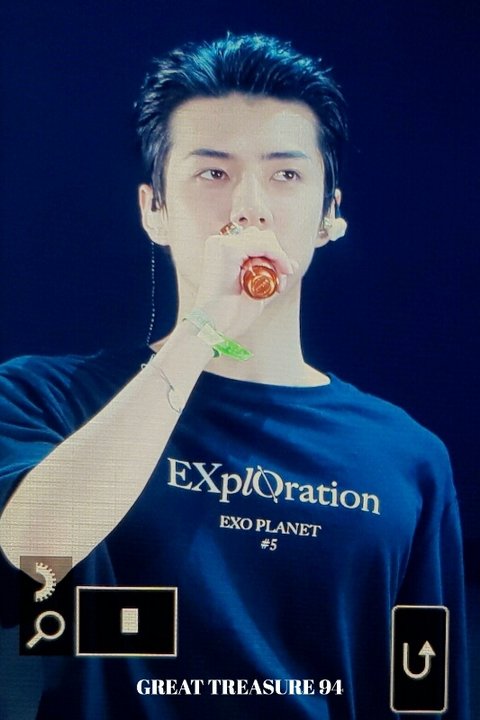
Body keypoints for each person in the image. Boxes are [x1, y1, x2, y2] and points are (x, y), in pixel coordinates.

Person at [0, 33, 468, 719]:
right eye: (212, 174)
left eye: (285, 176)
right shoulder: (47, 398)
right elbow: (38, 550)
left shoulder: (409, 457)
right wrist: (205, 331)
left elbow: (425, 695)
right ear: (153, 210)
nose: (250, 207)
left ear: (329, 215)